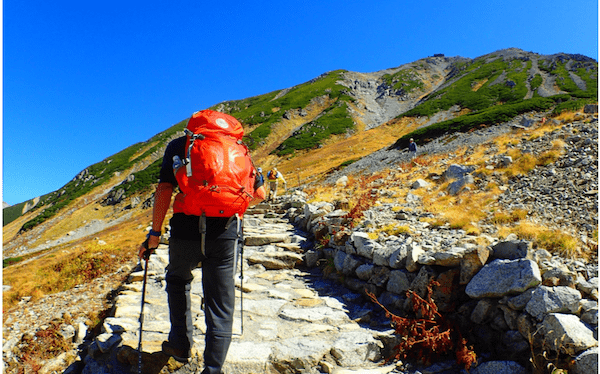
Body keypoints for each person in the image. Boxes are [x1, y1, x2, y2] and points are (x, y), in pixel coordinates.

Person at [138, 111, 265, 374]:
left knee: (178, 279)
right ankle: (213, 368)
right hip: (226, 233)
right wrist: (225, 205)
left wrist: (155, 233)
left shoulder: (180, 145)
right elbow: (260, 194)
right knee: (220, 300)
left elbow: (164, 189)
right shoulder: (239, 149)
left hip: (185, 228)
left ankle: (180, 345)